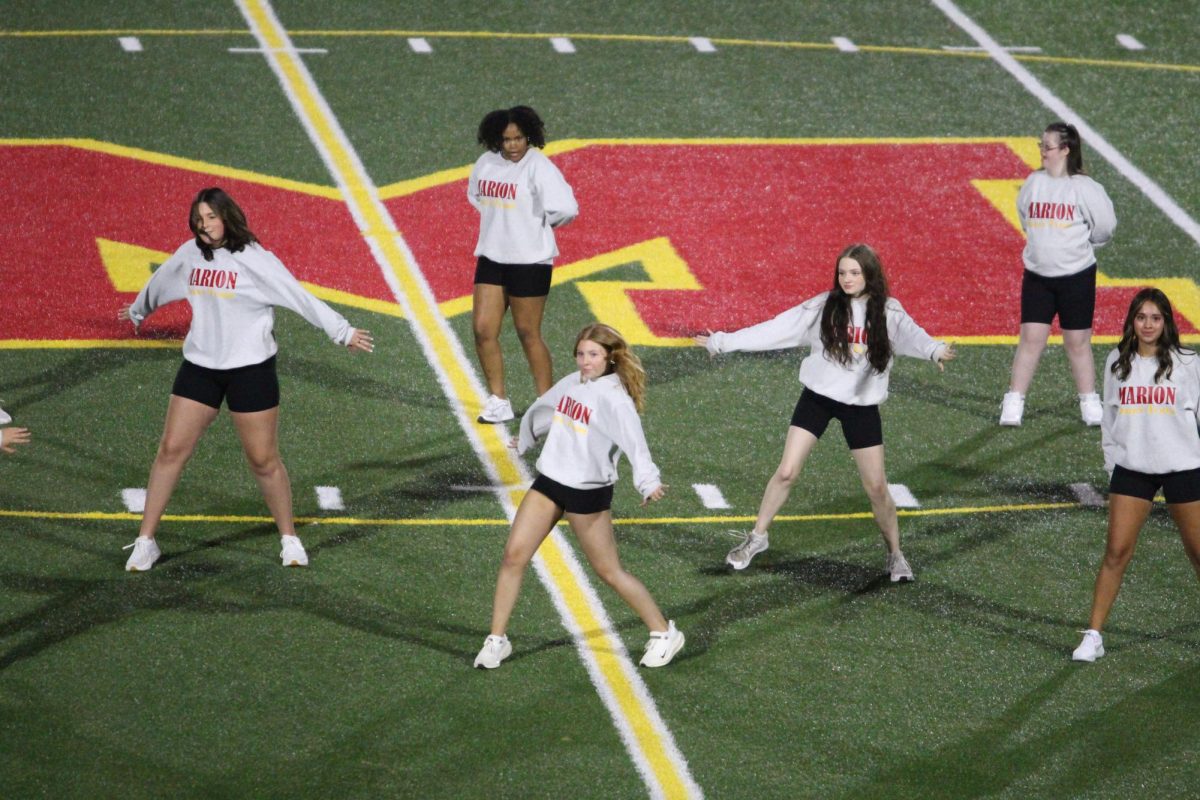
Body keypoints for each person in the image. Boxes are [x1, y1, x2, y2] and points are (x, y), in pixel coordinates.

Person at [118, 187, 374, 572]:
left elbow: (298, 295)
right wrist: (139, 310)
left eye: (210, 217)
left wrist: (342, 331)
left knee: (263, 460)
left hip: (251, 371)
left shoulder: (255, 259)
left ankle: (289, 538)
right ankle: (146, 540)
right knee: (171, 450)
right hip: (201, 367)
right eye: (198, 219)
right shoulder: (190, 255)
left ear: (226, 217)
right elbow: (163, 281)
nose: (204, 226)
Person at [696, 243, 954, 580]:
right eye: (842, 272)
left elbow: (914, 336)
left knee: (877, 488)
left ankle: (895, 555)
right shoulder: (823, 306)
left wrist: (935, 350)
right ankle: (757, 537)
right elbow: (776, 328)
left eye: (854, 272)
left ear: (869, 275)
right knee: (787, 471)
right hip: (817, 398)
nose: (846, 279)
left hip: (861, 408)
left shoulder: (889, 313)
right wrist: (723, 342)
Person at [475, 323, 683, 669]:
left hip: (587, 492)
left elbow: (636, 444)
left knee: (609, 572)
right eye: (581, 354)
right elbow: (546, 408)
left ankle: (663, 632)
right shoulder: (575, 381)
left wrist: (648, 482)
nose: (585, 361)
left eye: (593, 355)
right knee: (514, 556)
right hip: (551, 481)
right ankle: (497, 640)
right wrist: (526, 439)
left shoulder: (615, 399)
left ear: (610, 358)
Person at [1073, 288, 1200, 662]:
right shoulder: (1117, 361)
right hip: (1132, 471)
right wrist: (1113, 465)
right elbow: (1109, 422)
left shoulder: (1189, 364)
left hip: (1184, 468)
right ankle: (1093, 635)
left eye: (1155, 318)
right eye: (1141, 317)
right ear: (1132, 321)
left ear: (1166, 322)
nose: (1148, 325)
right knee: (1116, 552)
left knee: (1198, 553)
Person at [1000, 121, 1116, 427]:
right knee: (1030, 339)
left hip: (1076, 277)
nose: (1042, 152)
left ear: (1066, 150)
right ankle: (1014, 400)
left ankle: (1089, 401)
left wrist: (1076, 247)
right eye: (1041, 145)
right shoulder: (1033, 182)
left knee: (1077, 342)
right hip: (1038, 276)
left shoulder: (1085, 188)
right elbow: (1025, 216)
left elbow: (1105, 227)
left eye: (1047, 147)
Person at [468, 105, 578, 424]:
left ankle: (546, 403)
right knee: (482, 330)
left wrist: (536, 228)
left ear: (529, 136)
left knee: (527, 332)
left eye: (519, 138)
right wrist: (504, 225)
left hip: (530, 261)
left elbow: (567, 207)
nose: (514, 145)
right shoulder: (486, 163)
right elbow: (475, 196)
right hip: (491, 257)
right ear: (496, 140)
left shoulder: (538, 166)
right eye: (507, 139)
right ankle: (498, 400)